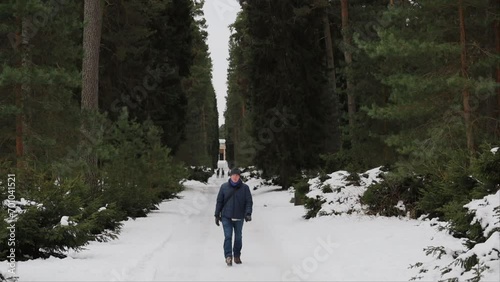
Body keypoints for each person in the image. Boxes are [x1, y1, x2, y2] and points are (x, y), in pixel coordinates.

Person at [214, 168, 253, 266]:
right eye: (233, 175)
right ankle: (228, 256)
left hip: (239, 217)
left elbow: (249, 202)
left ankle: (236, 255)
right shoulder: (224, 187)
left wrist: (248, 213)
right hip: (226, 216)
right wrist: (216, 214)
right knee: (228, 236)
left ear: (239, 176)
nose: (235, 177)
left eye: (237, 175)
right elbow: (219, 201)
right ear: (230, 176)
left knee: (238, 237)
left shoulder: (245, 188)